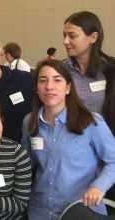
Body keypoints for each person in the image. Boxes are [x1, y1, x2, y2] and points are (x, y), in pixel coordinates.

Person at [21, 60, 115, 220]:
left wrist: (98, 187)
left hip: (82, 211)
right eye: (43, 80)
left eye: (57, 80)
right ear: (37, 88)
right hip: (40, 212)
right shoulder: (29, 122)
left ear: (68, 88)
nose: (49, 86)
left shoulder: (91, 121)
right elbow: (25, 166)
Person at [63, 11, 114, 115]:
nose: (65, 41)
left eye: (72, 36)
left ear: (93, 37)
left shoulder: (111, 69)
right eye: (64, 35)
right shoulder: (61, 70)